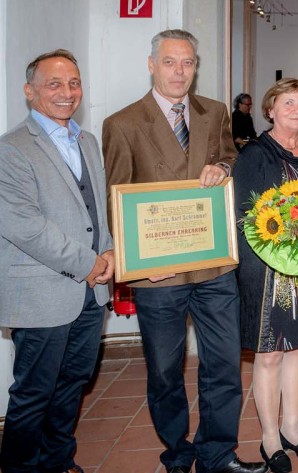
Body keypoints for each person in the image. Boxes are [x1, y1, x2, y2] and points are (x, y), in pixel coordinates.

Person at [102, 29, 265, 473]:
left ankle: (217, 453)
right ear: (152, 64)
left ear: (197, 67)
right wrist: (137, 261)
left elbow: (232, 159)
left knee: (224, 365)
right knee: (164, 372)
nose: (179, 71)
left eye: (188, 62)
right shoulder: (123, 123)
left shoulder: (213, 112)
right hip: (159, 275)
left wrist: (223, 168)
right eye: (170, 62)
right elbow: (117, 197)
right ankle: (177, 451)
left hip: (213, 266)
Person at [0, 49, 114, 473]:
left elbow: (96, 211)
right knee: (34, 394)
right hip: (43, 293)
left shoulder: (87, 141)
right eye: (54, 84)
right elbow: (26, 227)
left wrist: (111, 251)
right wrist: (89, 262)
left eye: (73, 83)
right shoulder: (11, 149)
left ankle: (58, 460)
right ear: (30, 92)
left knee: (72, 386)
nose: (67, 93)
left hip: (91, 292)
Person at [234, 78, 298, 473]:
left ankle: (292, 428)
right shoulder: (255, 154)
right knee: (270, 353)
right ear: (270, 110)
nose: (296, 109)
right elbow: (245, 216)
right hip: (267, 269)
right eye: (287, 102)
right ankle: (269, 436)